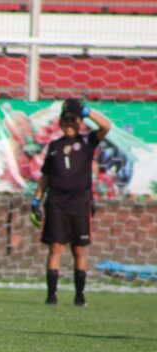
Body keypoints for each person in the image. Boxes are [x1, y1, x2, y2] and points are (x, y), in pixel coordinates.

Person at [31, 99, 111, 307]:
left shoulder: (87, 141)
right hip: (56, 203)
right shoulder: (54, 146)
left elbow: (106, 126)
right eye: (65, 120)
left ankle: (80, 296)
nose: (69, 124)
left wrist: (86, 111)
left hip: (80, 204)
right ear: (59, 123)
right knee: (55, 247)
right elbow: (45, 177)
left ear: (80, 122)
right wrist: (36, 199)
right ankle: (51, 296)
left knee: (79, 249)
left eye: (73, 120)